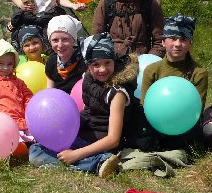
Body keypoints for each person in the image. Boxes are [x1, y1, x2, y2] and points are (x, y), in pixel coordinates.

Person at [29, 33, 136, 177]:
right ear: (88, 65)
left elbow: (113, 139)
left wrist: (76, 155)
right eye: (96, 64)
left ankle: (98, 163)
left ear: (114, 61)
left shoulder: (117, 94)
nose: (102, 69)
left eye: (107, 62)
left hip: (102, 144)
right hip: (83, 134)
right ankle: (95, 161)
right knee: (35, 150)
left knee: (38, 154)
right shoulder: (88, 78)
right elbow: (88, 110)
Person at [138, 14, 209, 150]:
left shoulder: (199, 73)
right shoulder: (152, 70)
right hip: (155, 123)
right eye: (173, 38)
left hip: (183, 126)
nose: (177, 44)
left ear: (190, 43)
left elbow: (196, 111)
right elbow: (144, 105)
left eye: (183, 39)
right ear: (163, 42)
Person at [44, 15, 86, 93]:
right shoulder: (51, 62)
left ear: (74, 40)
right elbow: (50, 91)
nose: (60, 45)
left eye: (65, 39)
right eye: (55, 40)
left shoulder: (84, 61)